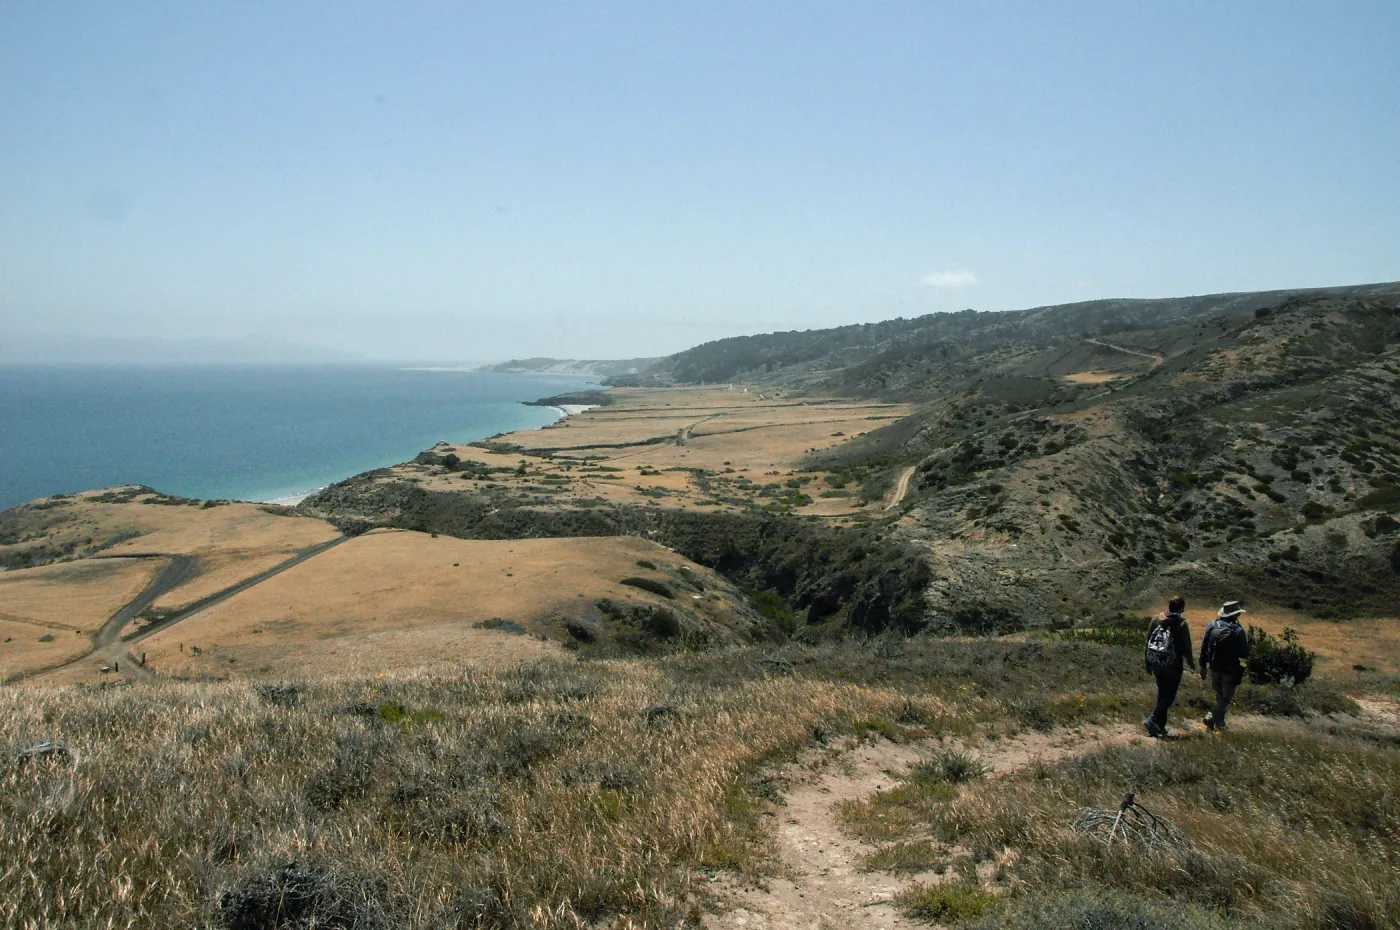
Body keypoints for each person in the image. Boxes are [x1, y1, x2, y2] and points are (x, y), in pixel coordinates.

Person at [1143, 596, 1195, 737]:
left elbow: (1148, 641)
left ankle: (1160, 726)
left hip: (1157, 662)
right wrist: (1192, 665)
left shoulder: (1156, 619)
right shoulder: (1181, 623)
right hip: (1173, 665)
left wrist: (1147, 662)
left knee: (1162, 694)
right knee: (1169, 696)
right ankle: (1152, 720)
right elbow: (1187, 648)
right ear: (1181, 608)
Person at [1200, 600, 1250, 731]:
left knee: (1219, 695)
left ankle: (1219, 724)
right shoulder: (1238, 630)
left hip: (1214, 667)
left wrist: (1203, 666)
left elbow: (1204, 647)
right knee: (1226, 698)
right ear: (1235, 615)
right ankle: (1212, 717)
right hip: (1230, 668)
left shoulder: (1212, 625)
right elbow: (1245, 652)